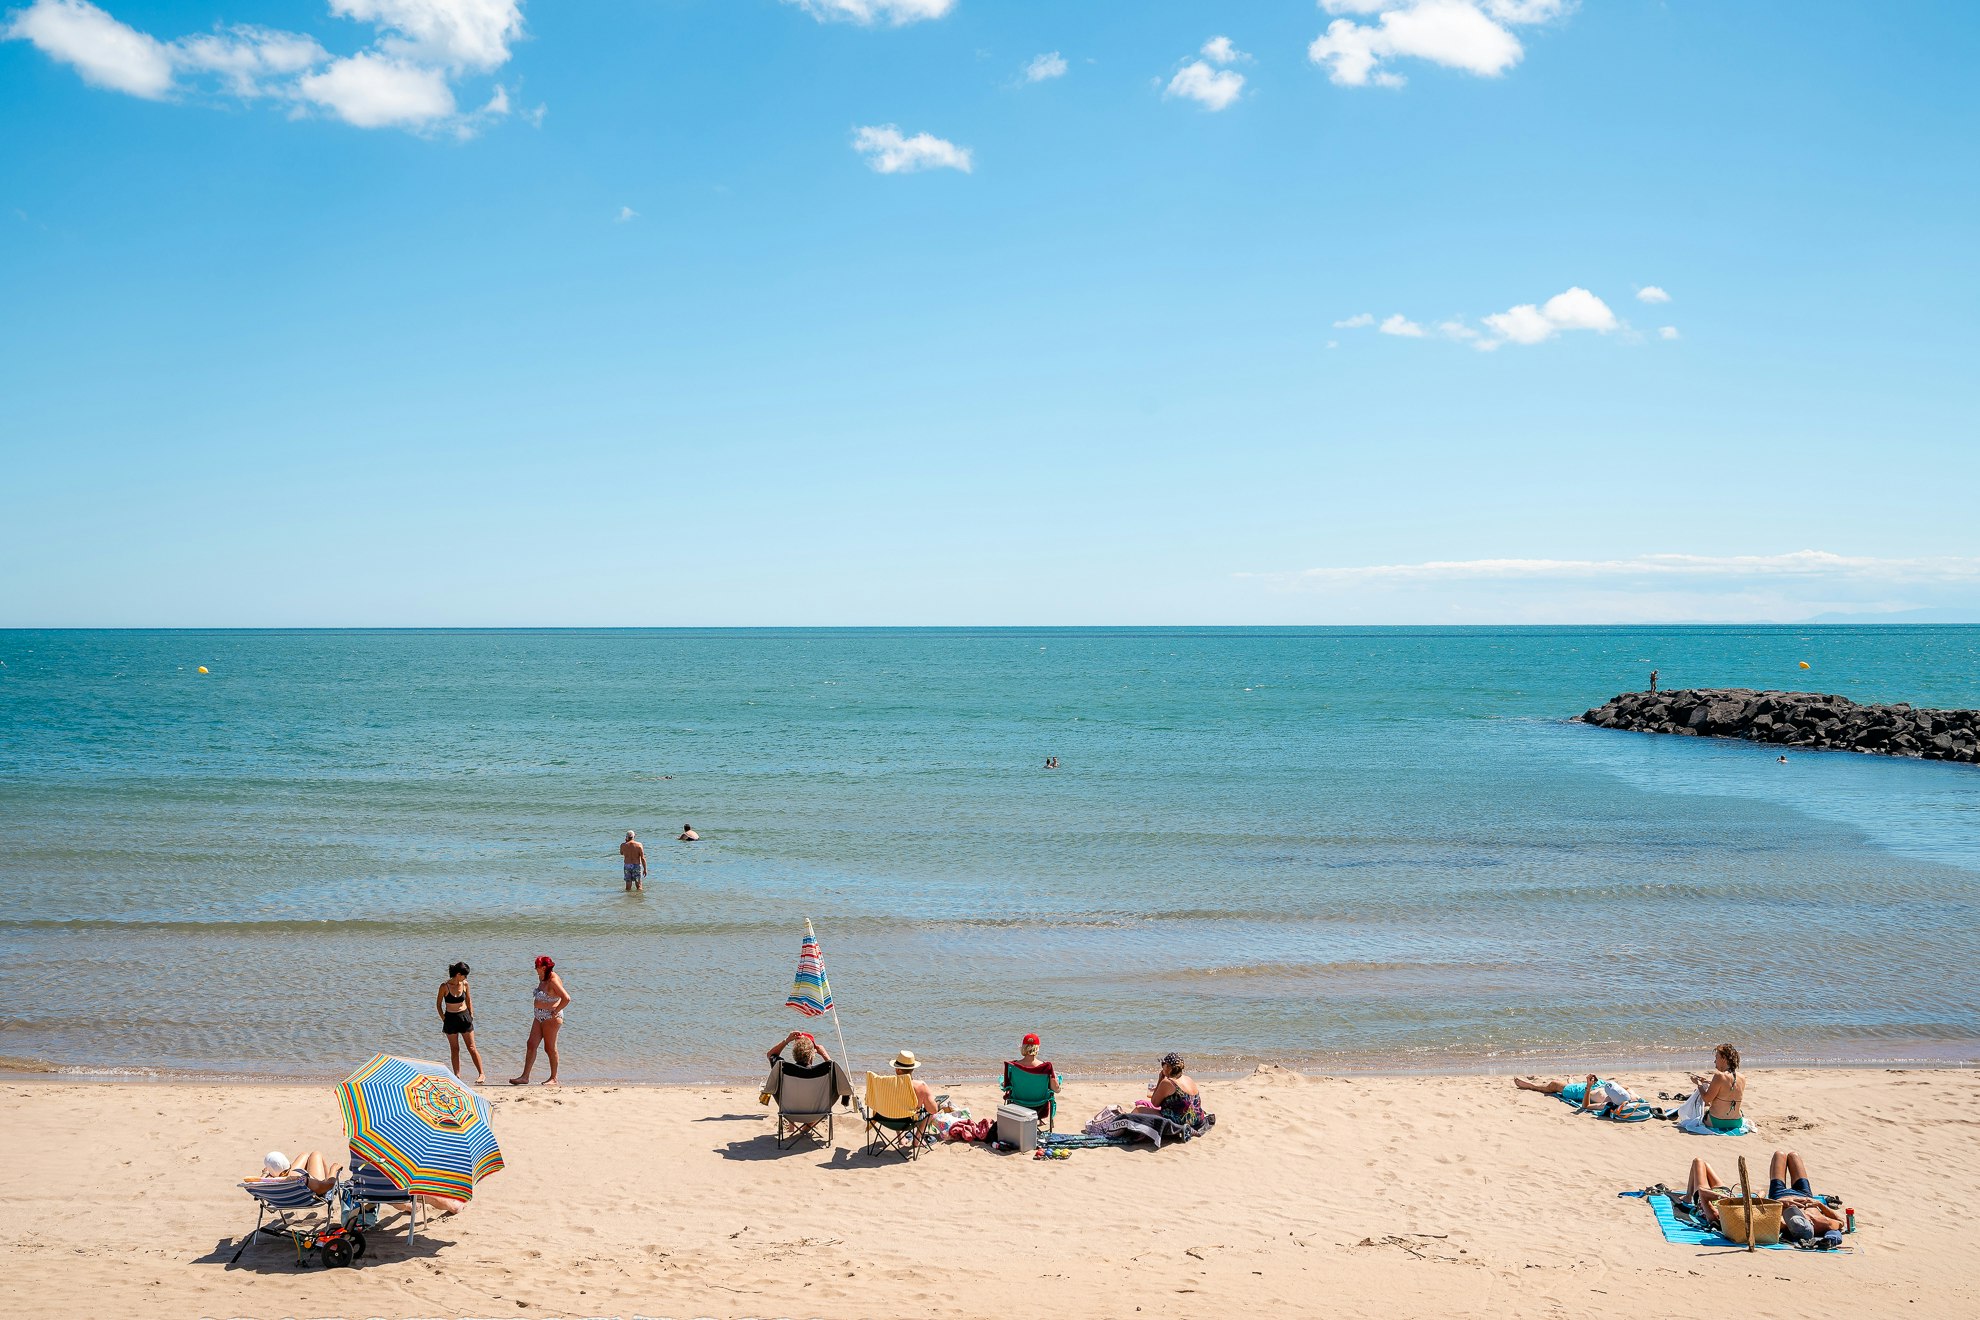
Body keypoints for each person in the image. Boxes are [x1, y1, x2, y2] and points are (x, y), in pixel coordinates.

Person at [509, 955, 570, 1086]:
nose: (535, 969)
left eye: (536, 966)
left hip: (551, 1018)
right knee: (531, 1044)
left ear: (543, 967)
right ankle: (524, 1077)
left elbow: (566, 998)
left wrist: (555, 1010)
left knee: (549, 1048)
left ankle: (554, 1078)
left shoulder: (553, 980)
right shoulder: (542, 977)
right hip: (538, 1017)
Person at [436, 962, 485, 1084]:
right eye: (464, 975)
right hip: (450, 1019)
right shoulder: (444, 986)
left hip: (464, 1017)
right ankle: (457, 1075)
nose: (466, 978)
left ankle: (481, 1074)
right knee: (454, 1048)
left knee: (472, 1047)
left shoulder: (465, 984)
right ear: (458, 974)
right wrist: (444, 1019)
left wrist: (471, 1014)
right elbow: (438, 1005)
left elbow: (468, 999)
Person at [1135, 1052, 1209, 1131]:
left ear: (1169, 1068)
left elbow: (1154, 1103)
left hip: (1181, 1121)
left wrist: (1160, 1079)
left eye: (1163, 1064)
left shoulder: (1168, 1082)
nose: (1162, 1066)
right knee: (1143, 1103)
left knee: (1138, 1109)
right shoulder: (1188, 1079)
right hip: (1197, 1118)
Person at [1685, 1044, 1746, 1133]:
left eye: (1716, 1057)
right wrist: (1709, 1082)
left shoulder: (1719, 1076)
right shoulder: (1742, 1077)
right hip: (1737, 1122)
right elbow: (1728, 1089)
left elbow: (1707, 1099)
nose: (1714, 1061)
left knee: (1704, 1107)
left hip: (1717, 1122)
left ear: (1723, 1058)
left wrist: (1698, 1084)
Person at [1003, 1031, 1060, 1112]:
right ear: (1037, 1048)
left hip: (1017, 1105)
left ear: (1023, 1047)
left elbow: (1006, 1087)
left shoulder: (1013, 1066)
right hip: (1040, 1106)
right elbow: (1056, 1089)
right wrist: (1058, 1084)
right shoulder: (1045, 1067)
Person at [890, 1049, 939, 1142]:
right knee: (931, 1110)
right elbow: (933, 1110)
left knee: (895, 1108)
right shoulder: (921, 1086)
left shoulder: (888, 1084)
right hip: (910, 1122)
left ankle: (901, 1139)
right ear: (913, 1069)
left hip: (890, 1120)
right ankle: (917, 1139)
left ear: (897, 1069)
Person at [244, 1150, 338, 1195]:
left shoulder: (262, 1184)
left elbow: (259, 1179)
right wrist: (334, 1169)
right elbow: (328, 1185)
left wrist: (264, 1174)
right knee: (316, 1154)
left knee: (304, 1155)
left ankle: (281, 1170)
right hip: (313, 1191)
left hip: (282, 1198)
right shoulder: (300, 1180)